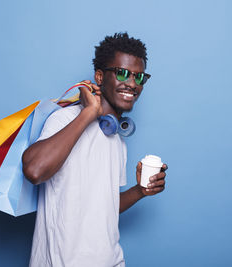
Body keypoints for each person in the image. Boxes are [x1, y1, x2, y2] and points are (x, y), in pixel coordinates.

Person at [22, 32, 168, 267]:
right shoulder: (65, 120)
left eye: (139, 77)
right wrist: (89, 113)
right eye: (122, 73)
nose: (132, 84)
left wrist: (141, 190)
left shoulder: (116, 138)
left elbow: (105, 206)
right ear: (99, 77)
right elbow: (34, 170)